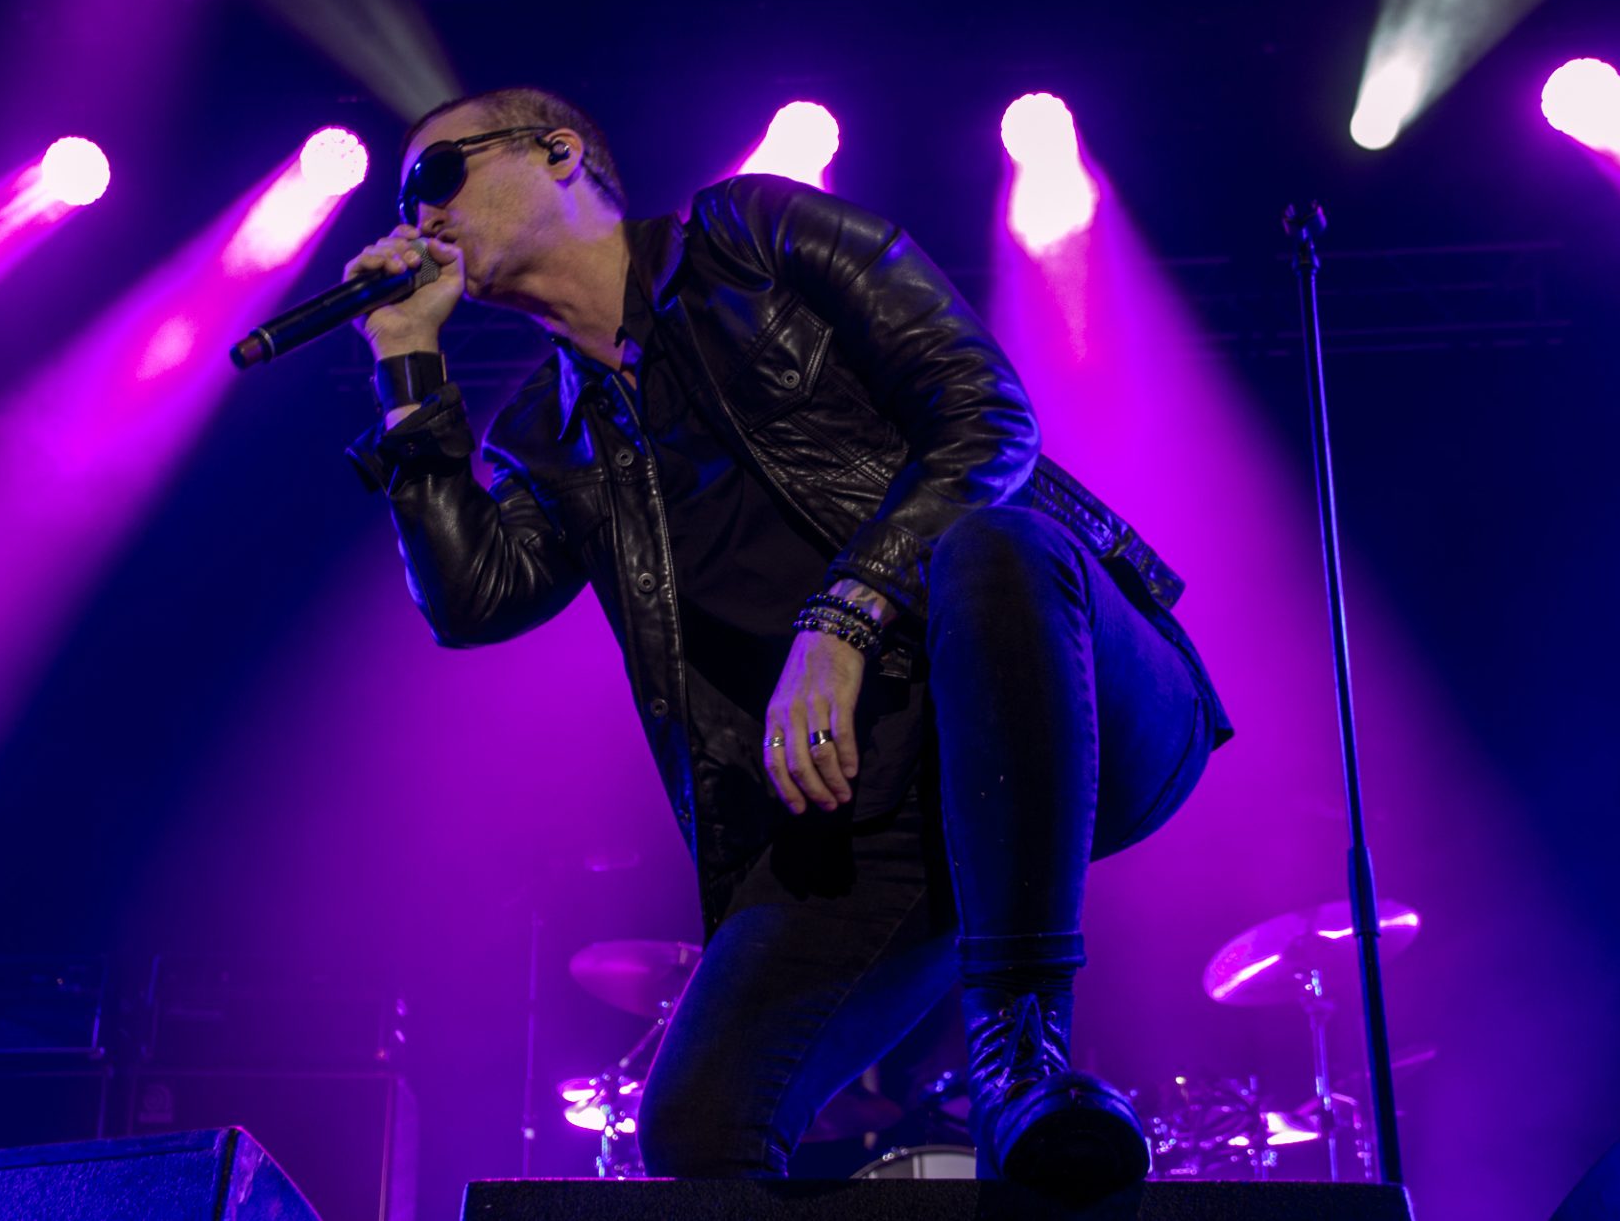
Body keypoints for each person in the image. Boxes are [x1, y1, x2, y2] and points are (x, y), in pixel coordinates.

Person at [342, 86, 1234, 1200]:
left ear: (559, 152)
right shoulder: (544, 431)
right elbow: (472, 602)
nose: (418, 215)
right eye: (403, 199)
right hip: (875, 803)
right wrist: (408, 366)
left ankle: (1021, 1053)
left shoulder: (754, 234)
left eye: (437, 175)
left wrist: (844, 612)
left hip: (1066, 684)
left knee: (994, 546)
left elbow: (989, 417)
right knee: (697, 1127)